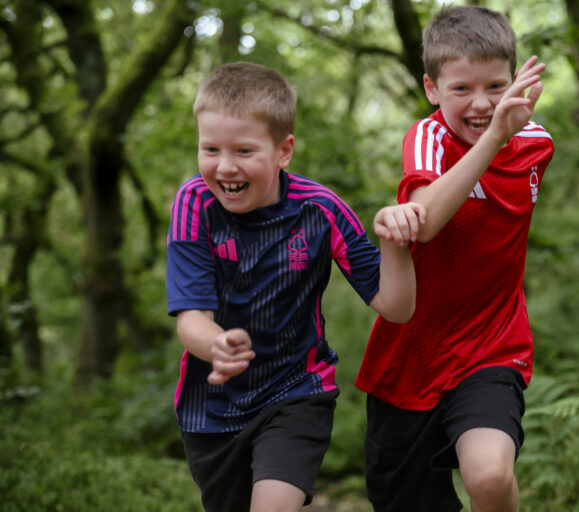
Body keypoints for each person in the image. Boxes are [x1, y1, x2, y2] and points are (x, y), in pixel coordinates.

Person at [165, 61, 425, 512]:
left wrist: (395, 245)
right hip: (211, 409)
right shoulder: (194, 203)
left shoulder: (320, 210)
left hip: (297, 391)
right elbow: (191, 319)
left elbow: (396, 306)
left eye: (244, 151)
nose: (225, 166)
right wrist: (218, 345)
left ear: (283, 151)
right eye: (210, 149)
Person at [355, 5, 554, 512]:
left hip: (492, 347)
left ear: (516, 82)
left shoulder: (537, 145)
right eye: (461, 88)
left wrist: (502, 136)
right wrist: (494, 138)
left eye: (496, 86)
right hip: (409, 360)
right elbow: (426, 219)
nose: (482, 104)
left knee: (489, 476)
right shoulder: (428, 137)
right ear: (432, 88)